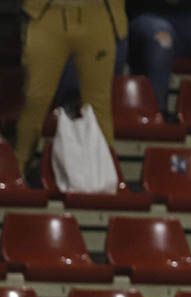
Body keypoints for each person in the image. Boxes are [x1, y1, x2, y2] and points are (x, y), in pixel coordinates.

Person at [14, 0, 125, 172]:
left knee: (98, 105)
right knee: (35, 99)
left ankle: (107, 174)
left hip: (99, 12)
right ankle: (17, 170)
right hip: (46, 13)